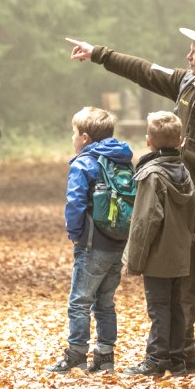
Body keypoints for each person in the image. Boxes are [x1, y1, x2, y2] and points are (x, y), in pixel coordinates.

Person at [65, 18, 195, 375]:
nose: (188, 55)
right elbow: (144, 71)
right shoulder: (187, 83)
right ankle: (181, 350)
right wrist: (99, 54)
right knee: (183, 278)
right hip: (181, 205)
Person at [47, 107, 134, 374]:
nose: (72, 138)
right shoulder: (123, 161)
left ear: (84, 137)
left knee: (80, 301)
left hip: (92, 243)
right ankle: (105, 357)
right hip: (118, 242)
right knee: (105, 301)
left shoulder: (84, 163)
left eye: (74, 133)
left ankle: (76, 355)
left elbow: (74, 203)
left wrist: (75, 234)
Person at [121, 111, 195, 377]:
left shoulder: (151, 175)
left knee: (159, 308)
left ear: (148, 142)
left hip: (157, 257)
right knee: (176, 306)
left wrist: (134, 261)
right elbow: (193, 213)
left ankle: (155, 359)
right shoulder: (185, 172)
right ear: (179, 141)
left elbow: (145, 222)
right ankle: (178, 359)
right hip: (179, 253)